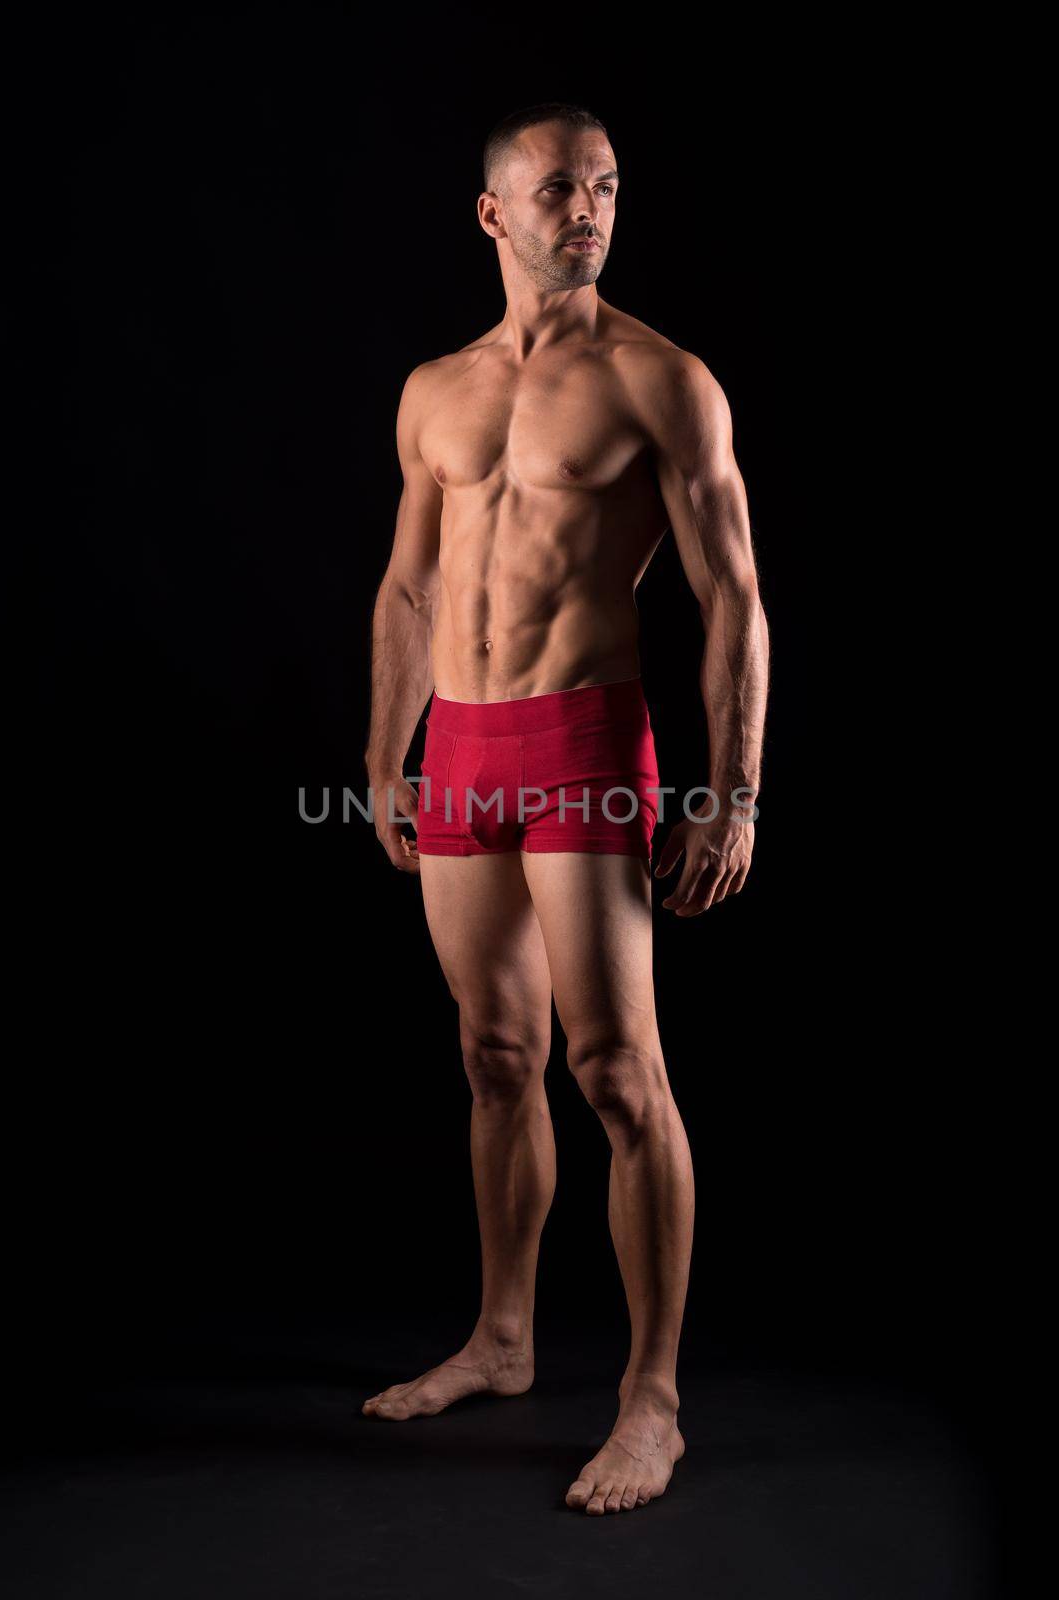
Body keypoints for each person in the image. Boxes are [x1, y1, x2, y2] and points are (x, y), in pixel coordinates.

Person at [362, 101, 769, 1516]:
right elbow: (411, 585)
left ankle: (651, 1402)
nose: (586, 208)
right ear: (494, 213)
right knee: (492, 1055)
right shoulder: (435, 389)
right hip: (463, 746)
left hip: (587, 735)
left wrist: (737, 792)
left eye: (603, 187)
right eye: (556, 189)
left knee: (614, 1071)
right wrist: (384, 752)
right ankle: (505, 1338)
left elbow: (735, 601)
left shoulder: (665, 380)